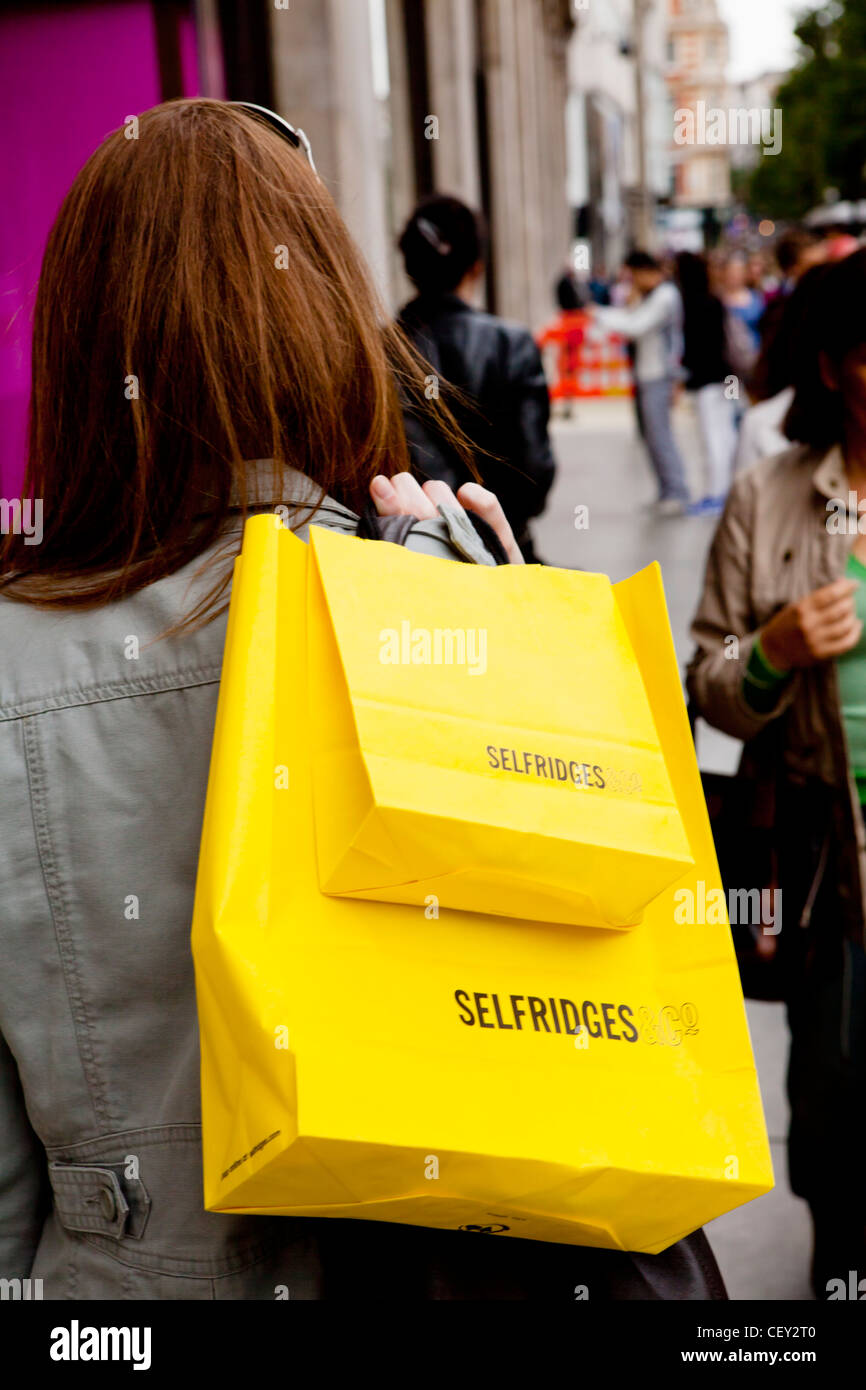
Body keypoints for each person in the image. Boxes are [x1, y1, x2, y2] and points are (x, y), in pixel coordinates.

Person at [0, 98, 724, 1301]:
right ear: (328, 312)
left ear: (77, 346)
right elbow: (598, 957)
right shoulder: (432, 583)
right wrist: (507, 609)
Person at [687, 247, 866, 1299]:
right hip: (826, 870)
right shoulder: (767, 496)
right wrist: (771, 651)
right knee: (840, 1108)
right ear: (840, 367)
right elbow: (703, 681)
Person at [397, 195, 556, 563]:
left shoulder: (377, 350)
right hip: (504, 547)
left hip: (412, 559)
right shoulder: (510, 344)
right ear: (476, 267)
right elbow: (535, 473)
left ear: (409, 266)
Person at [591, 250, 690, 516]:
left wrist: (599, 315)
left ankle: (676, 491)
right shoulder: (654, 295)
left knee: (661, 436)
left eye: (634, 275)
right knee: (652, 436)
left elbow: (636, 326)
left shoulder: (665, 296)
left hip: (659, 375)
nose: (632, 281)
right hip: (647, 374)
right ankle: (667, 490)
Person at [675, 251, 738, 514]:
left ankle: (716, 492)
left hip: (707, 381)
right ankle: (721, 489)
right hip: (723, 377)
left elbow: (692, 349)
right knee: (723, 436)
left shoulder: (691, 304)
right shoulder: (714, 301)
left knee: (713, 438)